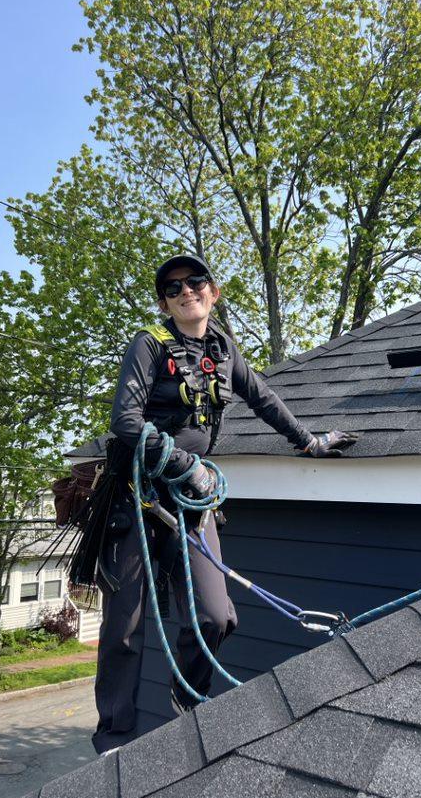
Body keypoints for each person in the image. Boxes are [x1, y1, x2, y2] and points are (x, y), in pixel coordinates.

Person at [92, 252, 356, 755]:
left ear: (213, 292)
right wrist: (180, 464)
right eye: (173, 288)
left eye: (195, 283)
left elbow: (263, 398)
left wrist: (309, 441)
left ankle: (185, 694)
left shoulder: (223, 349)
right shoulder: (149, 346)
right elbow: (125, 421)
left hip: (192, 502)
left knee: (217, 617)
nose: (186, 291)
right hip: (137, 496)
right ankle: (114, 737)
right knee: (125, 625)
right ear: (164, 303)